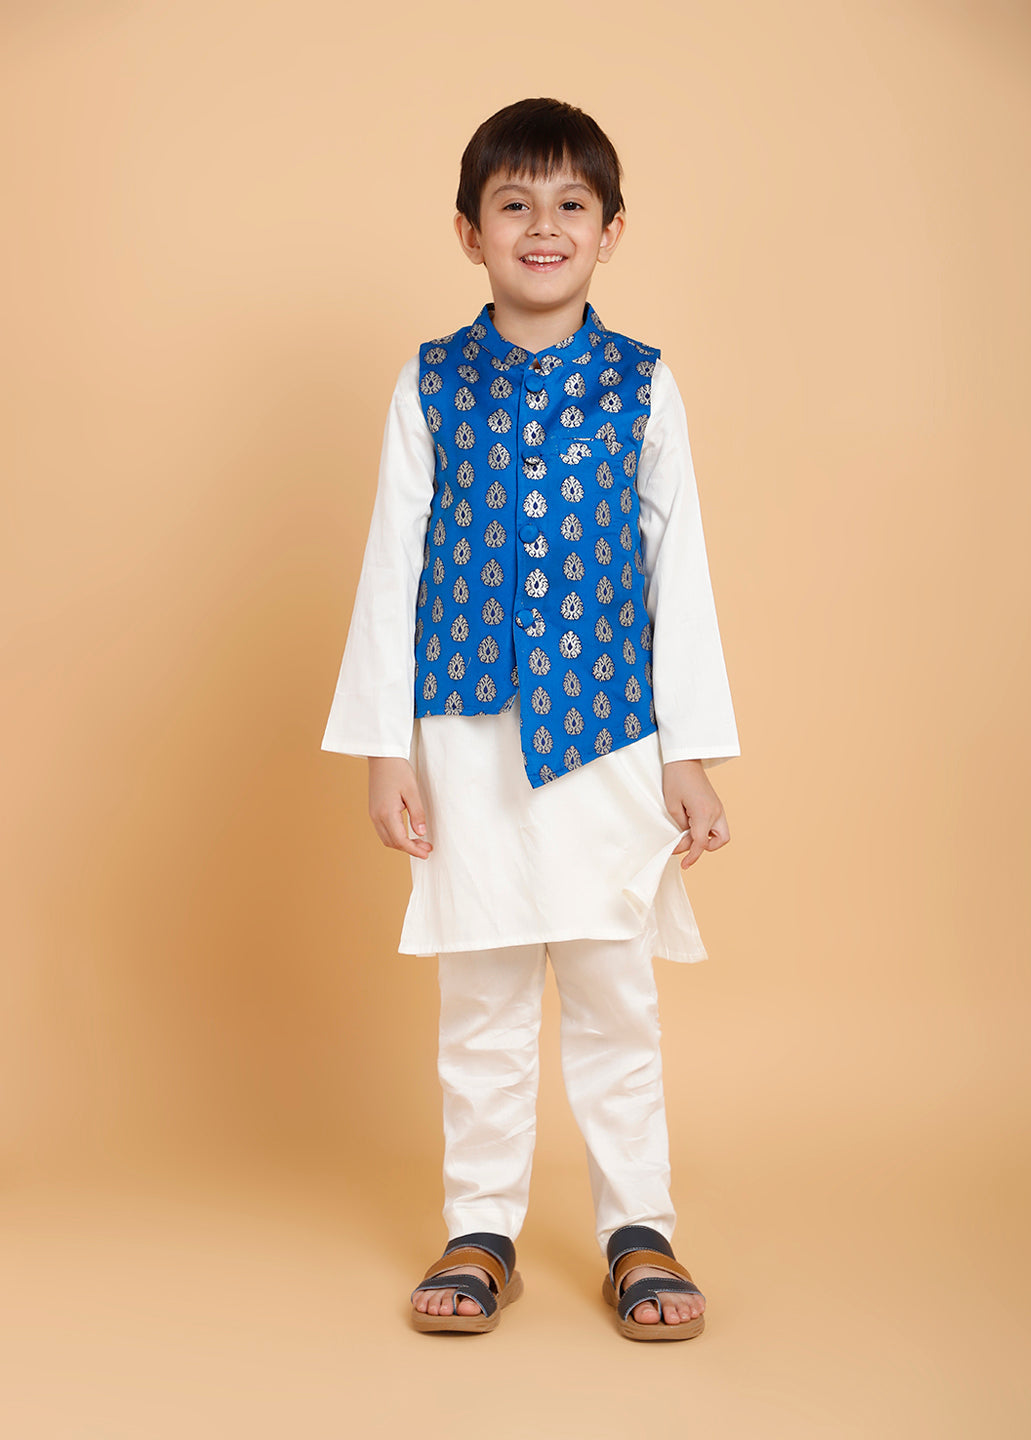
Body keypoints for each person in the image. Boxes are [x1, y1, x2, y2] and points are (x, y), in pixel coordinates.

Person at [321, 97, 740, 1340]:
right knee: (484, 1000)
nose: (542, 226)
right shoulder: (430, 382)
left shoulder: (643, 386)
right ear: (471, 232)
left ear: (611, 232)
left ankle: (638, 1229)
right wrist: (385, 748)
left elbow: (679, 573)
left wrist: (690, 756)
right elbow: (391, 564)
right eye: (515, 204)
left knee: (616, 996)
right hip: (466, 736)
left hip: (611, 737)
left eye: (570, 205)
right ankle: (481, 1229)